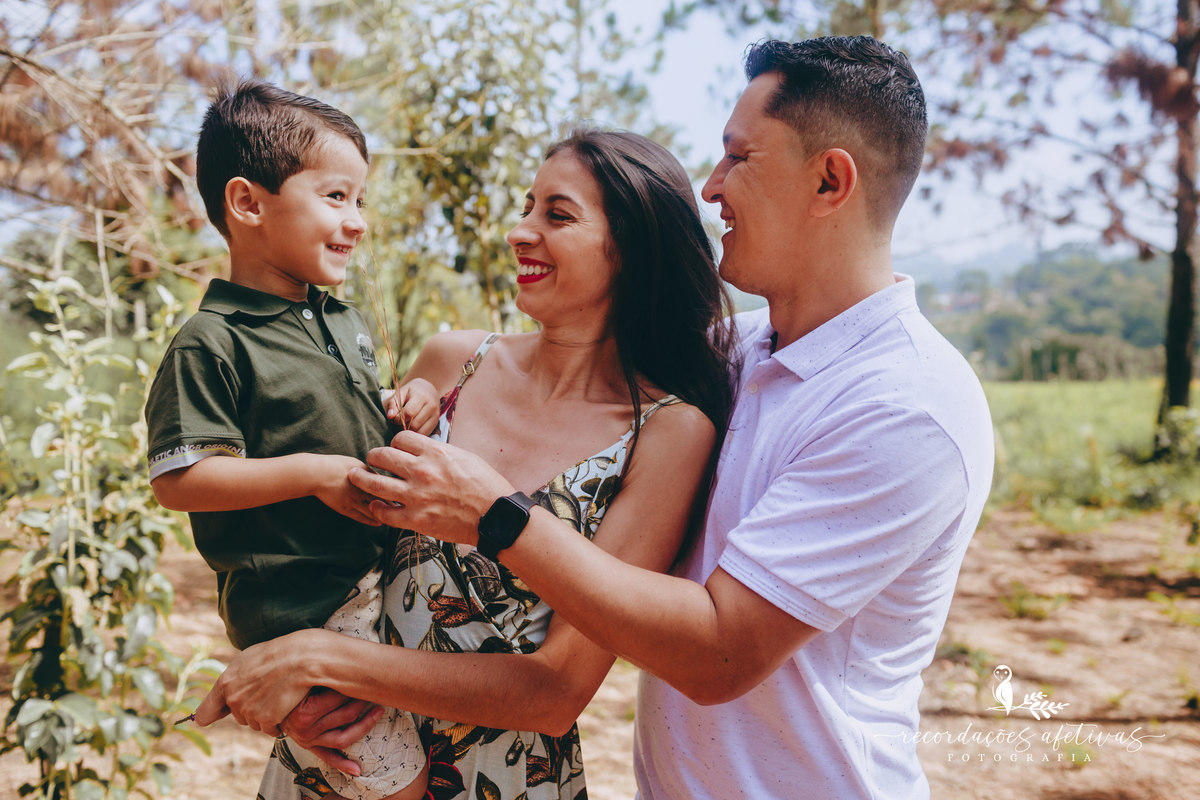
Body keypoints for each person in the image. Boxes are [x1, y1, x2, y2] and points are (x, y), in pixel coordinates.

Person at [237, 36, 996, 799]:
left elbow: (717, 651)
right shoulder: (736, 359)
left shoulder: (904, 407)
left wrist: (492, 518)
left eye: (739, 158)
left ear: (830, 179)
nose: (711, 185)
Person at [192, 128, 740, 800]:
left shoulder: (668, 432)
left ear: (631, 249)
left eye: (557, 215)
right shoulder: (451, 363)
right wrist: (308, 688)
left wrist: (324, 661)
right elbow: (332, 537)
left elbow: (557, 690)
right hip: (344, 755)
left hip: (503, 779)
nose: (519, 232)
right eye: (526, 207)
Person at [144, 80, 441, 800]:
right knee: (399, 782)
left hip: (377, 585)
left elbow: (345, 415)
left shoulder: (340, 321)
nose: (359, 221)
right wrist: (311, 473)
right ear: (247, 203)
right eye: (336, 197)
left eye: (360, 200)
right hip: (308, 611)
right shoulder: (211, 341)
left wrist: (409, 404)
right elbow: (180, 478)